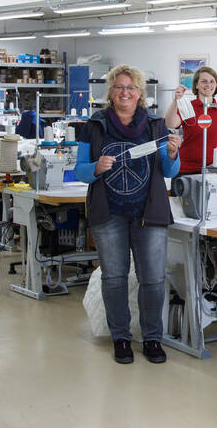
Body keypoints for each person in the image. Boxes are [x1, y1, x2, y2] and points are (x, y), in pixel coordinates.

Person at [78, 64, 182, 364]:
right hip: (108, 213)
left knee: (153, 279)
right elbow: (80, 171)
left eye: (131, 88)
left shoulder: (155, 125)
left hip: (149, 213)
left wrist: (172, 153)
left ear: (140, 93)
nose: (125, 92)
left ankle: (152, 338)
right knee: (114, 278)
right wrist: (96, 167)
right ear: (111, 92)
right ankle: (121, 338)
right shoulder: (94, 125)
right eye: (119, 87)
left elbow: (169, 170)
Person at [165, 65, 217, 173]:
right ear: (196, 85)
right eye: (204, 81)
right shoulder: (188, 107)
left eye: (212, 81)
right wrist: (175, 101)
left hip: (212, 171)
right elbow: (170, 123)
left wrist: (216, 165)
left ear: (216, 85)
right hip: (185, 170)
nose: (208, 85)